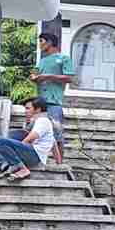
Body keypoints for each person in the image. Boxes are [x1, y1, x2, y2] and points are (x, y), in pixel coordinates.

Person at [30, 29, 73, 164]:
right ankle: (34, 160)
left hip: (54, 102)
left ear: (49, 43)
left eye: (41, 41)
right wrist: (34, 77)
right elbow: (34, 74)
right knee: (34, 131)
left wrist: (48, 76)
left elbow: (69, 78)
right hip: (40, 103)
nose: (40, 45)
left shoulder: (63, 58)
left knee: (57, 134)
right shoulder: (42, 61)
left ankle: (60, 164)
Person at [0, 96, 56, 180]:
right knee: (10, 136)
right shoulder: (35, 122)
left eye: (28, 108)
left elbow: (32, 137)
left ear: (38, 109)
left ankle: (21, 168)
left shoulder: (43, 120)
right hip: (32, 153)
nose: (25, 111)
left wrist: (17, 147)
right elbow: (53, 142)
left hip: (35, 155)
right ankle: (7, 164)